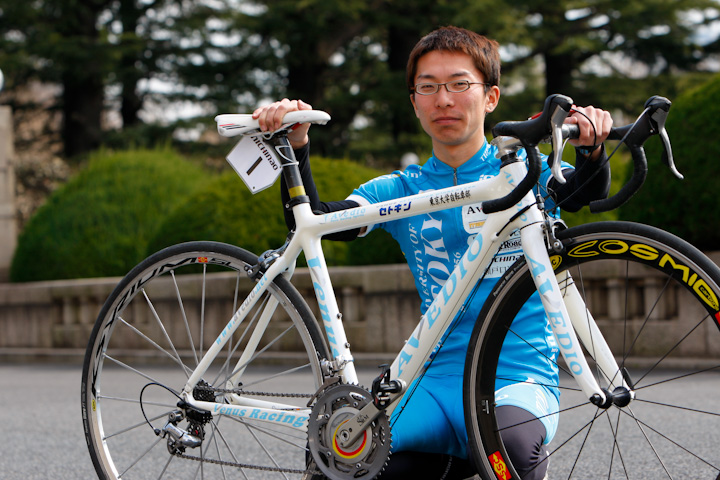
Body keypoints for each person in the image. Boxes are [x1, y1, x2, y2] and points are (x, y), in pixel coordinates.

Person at [253, 26, 612, 480]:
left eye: (460, 84)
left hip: (516, 381)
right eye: (428, 87)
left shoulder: (524, 175)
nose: (444, 100)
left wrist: (593, 150)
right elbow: (316, 220)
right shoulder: (401, 189)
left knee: (512, 453)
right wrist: (298, 146)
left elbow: (588, 192)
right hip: (430, 382)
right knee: (339, 460)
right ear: (415, 101)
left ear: (491, 97)